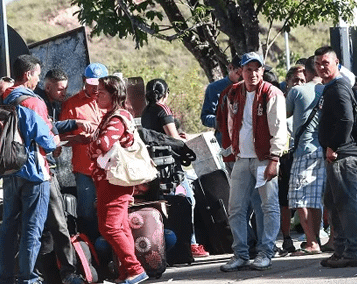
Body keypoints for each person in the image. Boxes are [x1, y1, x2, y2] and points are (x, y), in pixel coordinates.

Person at [217, 52, 289, 272]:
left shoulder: (272, 93)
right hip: (242, 158)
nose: (253, 73)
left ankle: (266, 251)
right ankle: (240, 253)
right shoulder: (233, 93)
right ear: (241, 71)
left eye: (257, 69)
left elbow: (279, 129)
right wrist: (231, 150)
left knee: (268, 206)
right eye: (248, 69)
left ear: (262, 71)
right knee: (235, 207)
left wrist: (274, 159)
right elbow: (230, 123)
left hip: (264, 158)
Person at [0, 55, 61, 284]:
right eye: (37, 75)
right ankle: (28, 280)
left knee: (8, 227)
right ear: (28, 75)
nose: (38, 80)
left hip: (11, 170)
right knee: (32, 227)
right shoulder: (33, 103)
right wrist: (55, 140)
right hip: (34, 172)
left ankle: (4, 280)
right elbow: (44, 139)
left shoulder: (6, 98)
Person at [90, 75, 149, 284]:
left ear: (114, 95)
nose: (97, 95)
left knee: (110, 227)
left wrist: (92, 142)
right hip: (110, 180)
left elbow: (103, 144)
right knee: (120, 226)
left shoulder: (116, 119)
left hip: (114, 181)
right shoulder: (113, 116)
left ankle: (134, 269)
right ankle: (127, 271)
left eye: (102, 92)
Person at [140, 78, 209, 258]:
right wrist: (182, 138)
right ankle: (191, 243)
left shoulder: (146, 111)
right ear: (166, 94)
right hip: (171, 165)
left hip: (156, 165)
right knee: (188, 200)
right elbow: (173, 138)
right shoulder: (163, 110)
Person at [35, 68, 88, 284]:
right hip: (42, 170)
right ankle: (67, 271)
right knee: (57, 222)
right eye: (60, 89)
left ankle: (46, 274)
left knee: (44, 225)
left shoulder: (51, 103)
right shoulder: (38, 102)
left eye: (66, 88)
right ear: (48, 87)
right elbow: (48, 128)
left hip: (42, 166)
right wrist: (75, 124)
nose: (64, 93)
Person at [314, 47, 357, 268]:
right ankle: (341, 250)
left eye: (325, 62)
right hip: (336, 155)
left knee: (346, 203)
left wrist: (333, 146)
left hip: (343, 155)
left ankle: (353, 251)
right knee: (334, 203)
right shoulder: (331, 88)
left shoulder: (339, 88)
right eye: (318, 64)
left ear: (336, 63)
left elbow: (346, 120)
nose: (321, 67)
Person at [58, 62, 109, 243]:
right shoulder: (71, 105)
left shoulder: (111, 102)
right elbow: (60, 139)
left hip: (110, 169)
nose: (95, 88)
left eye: (99, 84)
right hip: (84, 169)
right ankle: (92, 254)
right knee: (86, 212)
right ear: (83, 81)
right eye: (91, 84)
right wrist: (78, 139)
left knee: (110, 210)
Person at [286, 57, 327, 255]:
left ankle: (311, 242)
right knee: (316, 199)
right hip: (324, 149)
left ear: (307, 72)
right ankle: (319, 238)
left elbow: (283, 114)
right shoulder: (328, 88)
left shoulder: (297, 91)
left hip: (304, 151)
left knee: (300, 199)